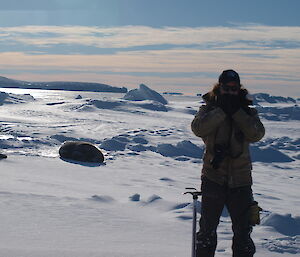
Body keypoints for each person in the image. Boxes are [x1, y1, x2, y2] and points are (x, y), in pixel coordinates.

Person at [191, 70, 265, 257]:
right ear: (220, 87)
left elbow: (256, 133)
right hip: (213, 178)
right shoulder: (209, 109)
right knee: (207, 232)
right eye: (226, 88)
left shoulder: (246, 111)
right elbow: (198, 128)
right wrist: (222, 112)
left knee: (243, 234)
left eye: (234, 88)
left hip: (240, 181)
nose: (231, 92)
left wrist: (237, 113)